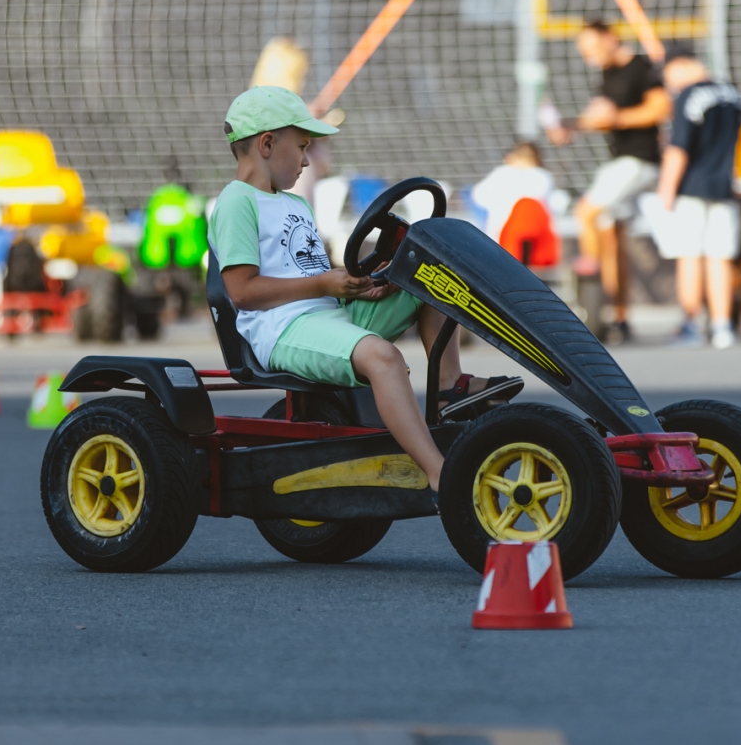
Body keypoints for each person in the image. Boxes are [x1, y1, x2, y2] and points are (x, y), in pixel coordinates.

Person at [208, 86, 521, 498]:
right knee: (383, 357)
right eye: (302, 147)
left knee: (429, 274)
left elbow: (312, 275)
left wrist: (357, 287)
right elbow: (242, 292)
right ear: (267, 144)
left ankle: (449, 387)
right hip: (282, 329)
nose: (307, 160)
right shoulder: (237, 202)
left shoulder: (295, 205)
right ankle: (440, 474)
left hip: (328, 315)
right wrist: (325, 284)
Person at [547, 18, 670, 343]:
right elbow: (602, 119)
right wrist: (571, 127)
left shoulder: (640, 67)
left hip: (640, 161)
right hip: (620, 161)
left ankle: (591, 289)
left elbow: (661, 107)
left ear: (610, 38)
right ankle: (619, 316)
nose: (587, 54)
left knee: (586, 212)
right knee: (610, 235)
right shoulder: (607, 74)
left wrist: (619, 118)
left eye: (591, 46)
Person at [655, 50, 741, 349]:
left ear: (681, 65)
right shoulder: (731, 94)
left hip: (693, 186)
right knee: (720, 258)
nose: (670, 84)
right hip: (724, 186)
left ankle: (691, 324)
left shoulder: (689, 96)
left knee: (690, 255)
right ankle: (722, 325)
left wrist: (667, 188)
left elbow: (679, 147)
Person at [469, 142, 556, 242]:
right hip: (533, 235)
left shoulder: (502, 173)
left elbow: (478, 196)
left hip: (500, 233)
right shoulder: (542, 176)